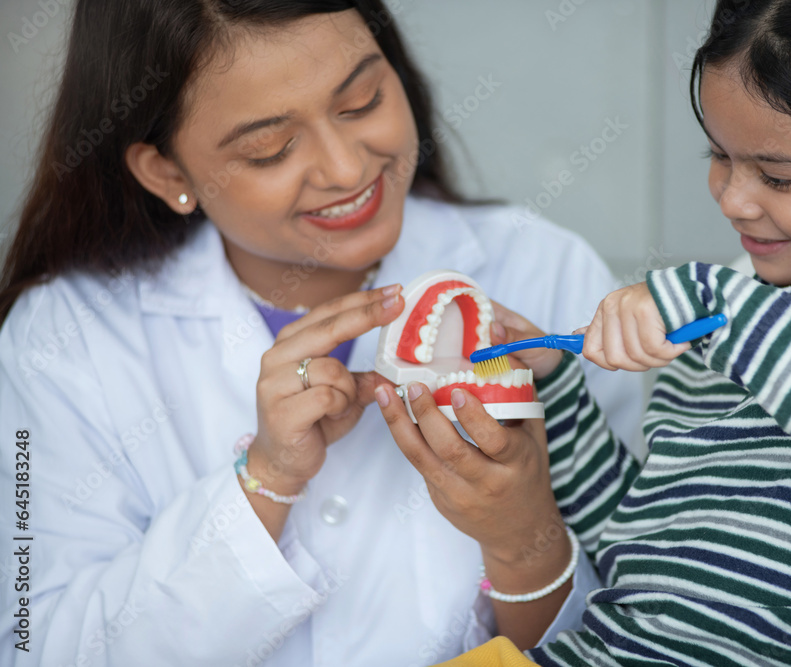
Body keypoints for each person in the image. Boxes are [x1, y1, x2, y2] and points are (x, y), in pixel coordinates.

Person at [0, 1, 644, 665]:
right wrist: (263, 483)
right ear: (168, 172)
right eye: (269, 149)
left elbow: (661, 623)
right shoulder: (62, 339)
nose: (344, 168)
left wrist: (524, 540)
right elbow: (33, 644)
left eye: (362, 101)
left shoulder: (545, 272)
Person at [378, 0, 791, 665]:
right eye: (720, 157)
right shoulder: (720, 326)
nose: (732, 198)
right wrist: (553, 389)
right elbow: (633, 537)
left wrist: (714, 300)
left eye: (778, 176)